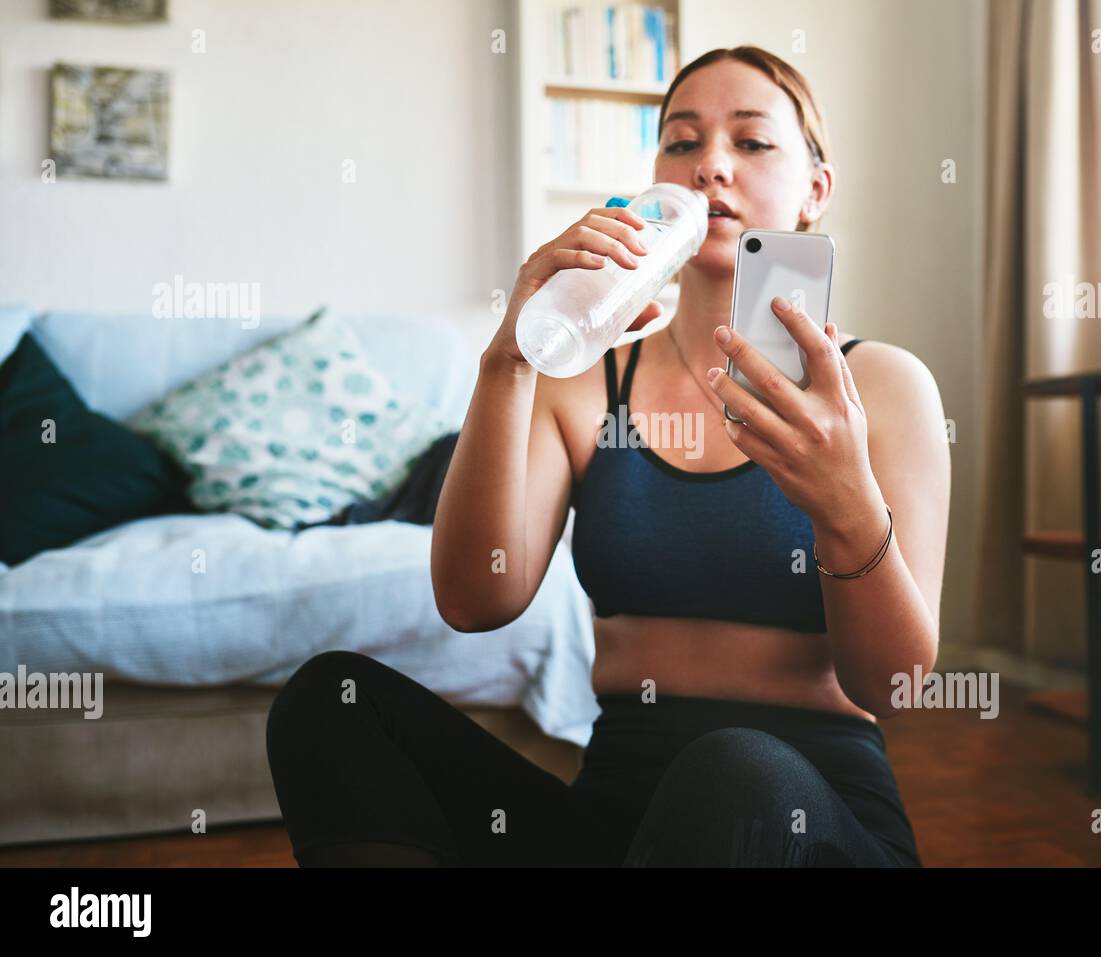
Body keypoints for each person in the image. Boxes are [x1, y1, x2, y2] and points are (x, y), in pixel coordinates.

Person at [266, 45, 950, 867]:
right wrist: (510, 359)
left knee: (735, 769)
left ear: (815, 189)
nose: (711, 168)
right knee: (331, 700)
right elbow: (474, 598)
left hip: (807, 813)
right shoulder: (587, 380)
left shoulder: (882, 384)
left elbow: (894, 688)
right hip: (616, 821)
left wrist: (844, 504)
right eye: (683, 141)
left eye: (753, 142)